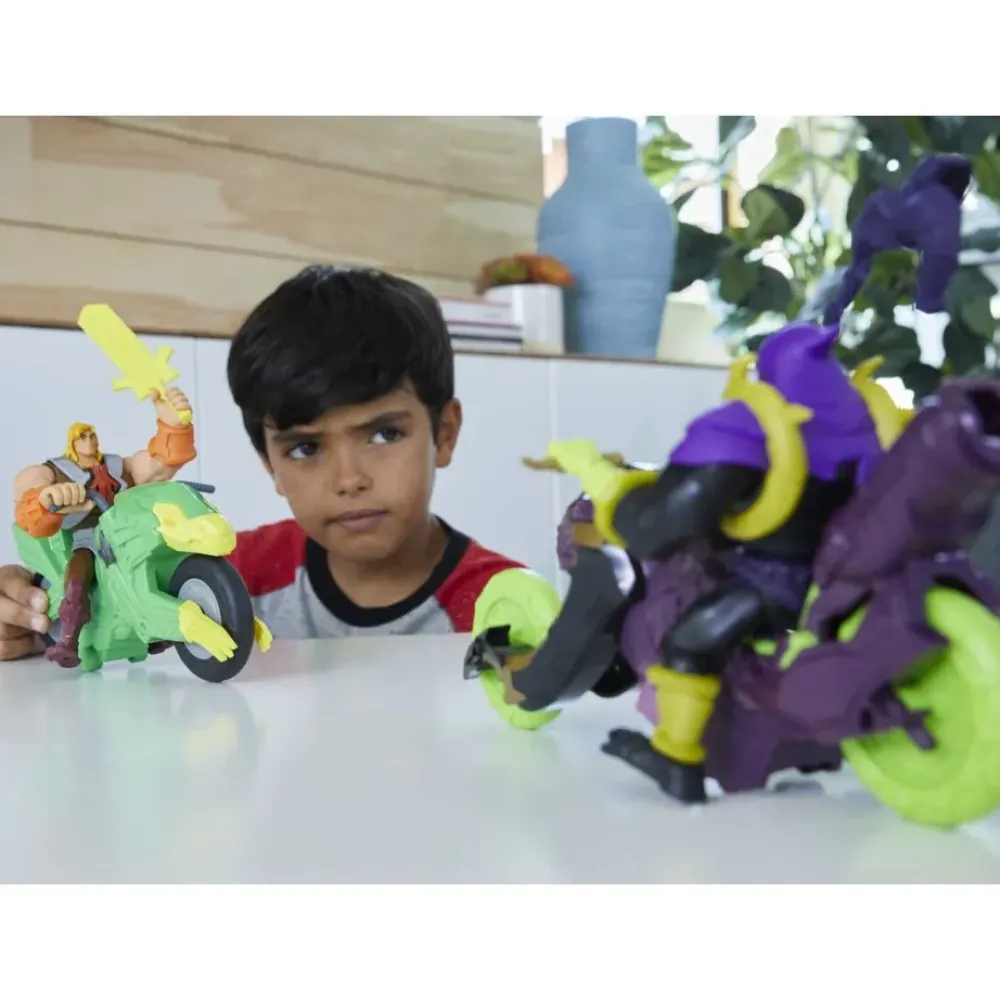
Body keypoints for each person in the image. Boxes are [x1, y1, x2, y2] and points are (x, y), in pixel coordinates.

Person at [0, 267, 522, 659]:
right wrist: (27, 618)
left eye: (384, 434)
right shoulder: (229, 571)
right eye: (305, 448)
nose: (349, 480)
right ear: (269, 464)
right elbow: (119, 614)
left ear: (444, 434)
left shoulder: (506, 604)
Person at [6, 388, 195, 666]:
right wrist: (49, 496)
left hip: (126, 532)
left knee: (162, 559)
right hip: (87, 538)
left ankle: (158, 625)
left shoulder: (118, 466)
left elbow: (159, 464)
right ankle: (69, 639)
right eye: (83, 436)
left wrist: (174, 426)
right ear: (73, 442)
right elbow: (28, 488)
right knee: (78, 577)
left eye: (91, 434)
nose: (90, 440)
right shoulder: (56, 471)